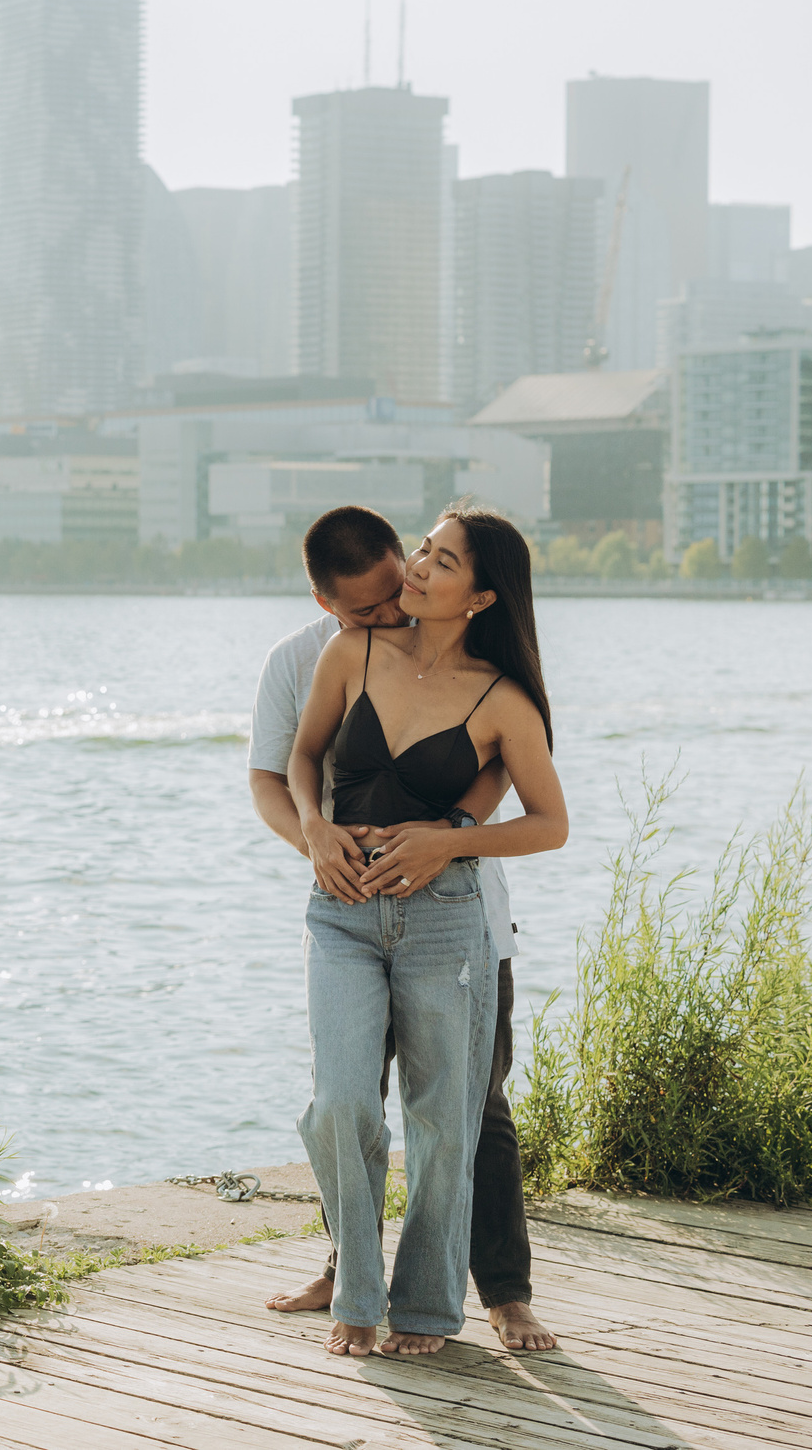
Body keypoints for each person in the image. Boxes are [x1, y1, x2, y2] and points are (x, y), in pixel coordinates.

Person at [248, 505, 563, 1355]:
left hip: (454, 914)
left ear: (480, 595)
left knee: (458, 1114)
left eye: (430, 564)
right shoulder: (328, 654)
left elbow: (540, 809)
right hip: (345, 907)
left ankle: (467, 1298)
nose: (408, 587)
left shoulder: (499, 689)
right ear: (329, 605)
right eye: (423, 553)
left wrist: (451, 836)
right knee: (342, 1102)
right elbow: (286, 766)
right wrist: (315, 832)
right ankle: (352, 1278)